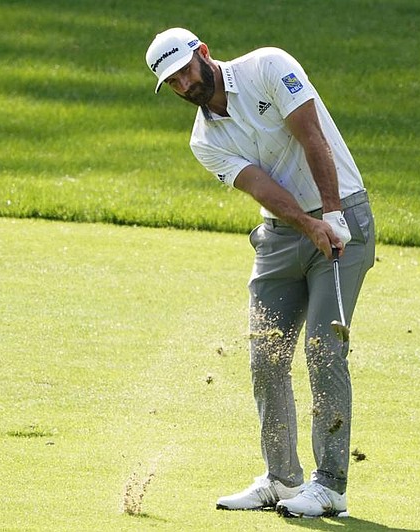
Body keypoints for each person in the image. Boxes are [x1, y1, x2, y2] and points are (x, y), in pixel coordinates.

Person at [145, 28, 375, 518]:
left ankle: (330, 485)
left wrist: (329, 216)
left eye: (186, 71)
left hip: (343, 220)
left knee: (323, 349)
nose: (186, 85)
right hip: (282, 234)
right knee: (265, 355)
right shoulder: (204, 139)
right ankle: (282, 478)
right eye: (175, 83)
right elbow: (263, 188)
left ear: (203, 54)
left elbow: (311, 136)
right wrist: (307, 224)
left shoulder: (267, 67)